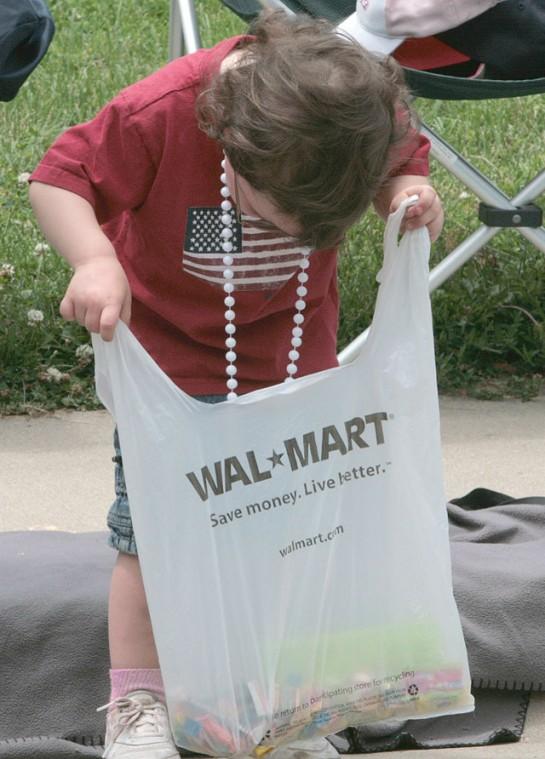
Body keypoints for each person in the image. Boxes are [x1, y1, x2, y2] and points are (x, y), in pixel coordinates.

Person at [29, 10, 443, 759]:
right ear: (236, 148)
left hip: (294, 370)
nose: (296, 238)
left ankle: (281, 699)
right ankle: (140, 697)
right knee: (148, 540)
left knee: (291, 538)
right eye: (279, 218)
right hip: (172, 378)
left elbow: (402, 159)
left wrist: (405, 193)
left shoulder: (351, 111)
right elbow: (60, 178)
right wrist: (93, 259)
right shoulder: (163, 112)